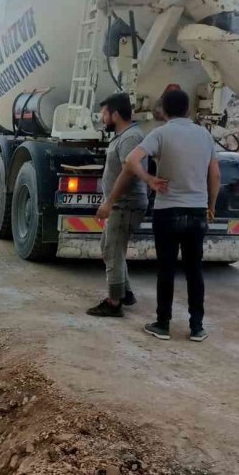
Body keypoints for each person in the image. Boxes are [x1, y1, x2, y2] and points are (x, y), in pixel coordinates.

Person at [124, 87, 221, 342]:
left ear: (163, 111)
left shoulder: (161, 133)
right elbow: (215, 174)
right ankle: (197, 327)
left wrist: (149, 179)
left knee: (166, 269)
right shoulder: (204, 135)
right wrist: (211, 205)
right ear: (188, 109)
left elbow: (132, 159)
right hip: (197, 210)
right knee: (194, 270)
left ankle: (163, 324)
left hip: (167, 211)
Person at [88, 93, 148, 317]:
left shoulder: (130, 137)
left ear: (115, 114)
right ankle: (125, 292)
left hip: (124, 205)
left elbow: (129, 172)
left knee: (112, 250)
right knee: (108, 246)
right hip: (120, 205)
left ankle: (114, 302)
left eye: (104, 113)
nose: (102, 118)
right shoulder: (124, 136)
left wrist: (109, 202)